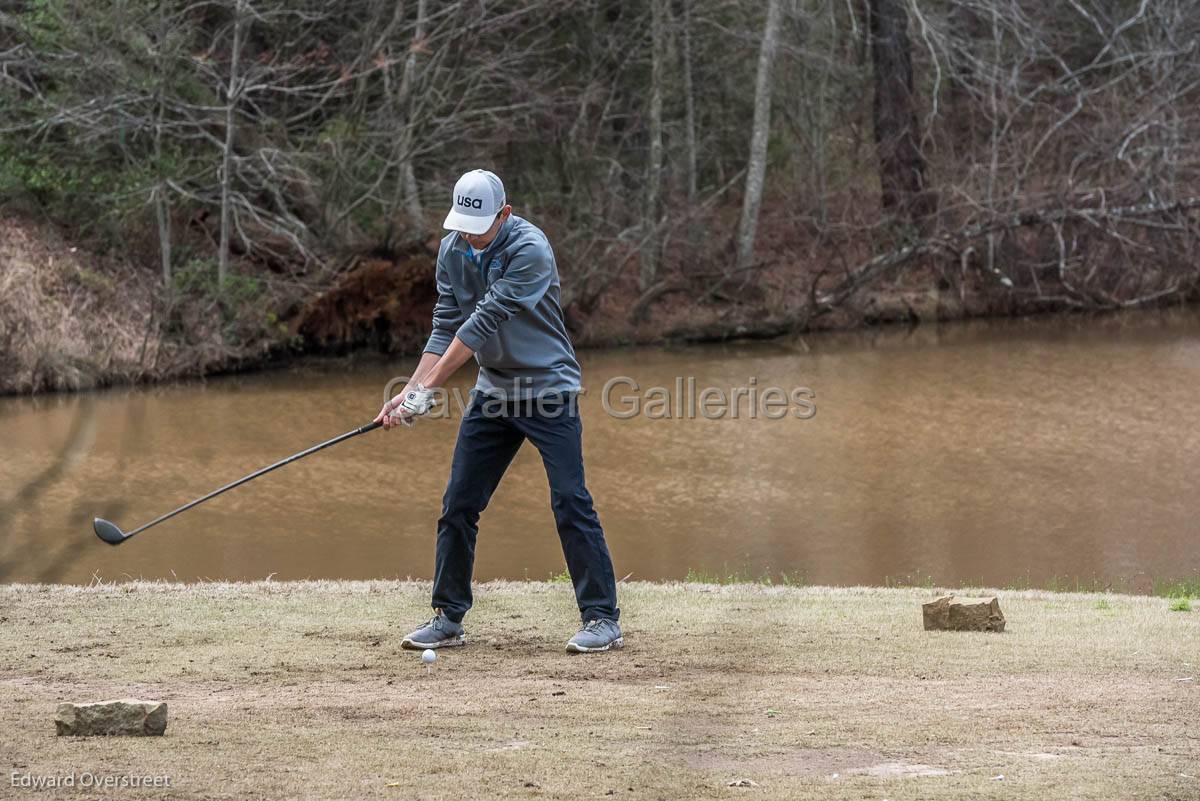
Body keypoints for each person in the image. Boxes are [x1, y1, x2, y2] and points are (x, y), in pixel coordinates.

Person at [374, 169, 622, 653]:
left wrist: (430, 386)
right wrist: (411, 389)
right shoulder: (453, 250)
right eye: (462, 224)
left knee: (571, 501)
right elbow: (447, 324)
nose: (469, 235)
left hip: (548, 390)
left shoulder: (530, 249)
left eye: (479, 225)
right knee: (459, 504)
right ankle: (448, 617)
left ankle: (601, 619)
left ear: (504, 214)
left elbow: (484, 320)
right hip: (494, 393)